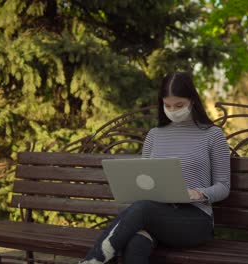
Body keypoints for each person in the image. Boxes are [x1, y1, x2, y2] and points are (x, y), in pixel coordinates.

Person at [79, 72, 231, 264]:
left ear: (192, 101)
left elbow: (223, 186)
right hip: (157, 217)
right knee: (135, 242)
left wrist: (197, 193)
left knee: (143, 209)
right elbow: (146, 181)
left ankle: (94, 260)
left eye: (179, 105)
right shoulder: (154, 135)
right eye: (167, 105)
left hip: (195, 220)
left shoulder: (212, 135)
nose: (172, 110)